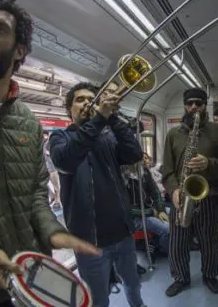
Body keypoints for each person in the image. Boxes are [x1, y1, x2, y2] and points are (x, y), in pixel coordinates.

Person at [0, 1, 100, 307]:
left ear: (19, 51)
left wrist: (52, 231)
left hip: (34, 275)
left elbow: (35, 195)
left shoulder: (29, 123)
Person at [49, 82, 146, 307]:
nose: (87, 103)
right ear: (69, 110)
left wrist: (111, 117)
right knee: (97, 299)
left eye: (91, 98)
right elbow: (66, 160)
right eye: (80, 99)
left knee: (133, 283)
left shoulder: (108, 137)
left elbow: (134, 153)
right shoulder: (60, 137)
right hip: (88, 242)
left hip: (122, 233)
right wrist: (99, 118)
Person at [162, 88, 218, 297]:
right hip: (180, 197)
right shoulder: (173, 133)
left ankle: (210, 274)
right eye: (190, 103)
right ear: (185, 106)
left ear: (204, 106)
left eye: (198, 103)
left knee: (209, 239)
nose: (194, 107)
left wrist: (208, 163)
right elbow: (167, 169)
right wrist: (173, 190)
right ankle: (181, 277)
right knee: (177, 241)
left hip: (208, 195)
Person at [125, 153, 170, 256]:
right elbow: (127, 209)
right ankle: (165, 250)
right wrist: (150, 212)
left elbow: (156, 192)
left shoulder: (144, 172)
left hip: (150, 209)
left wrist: (161, 210)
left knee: (174, 215)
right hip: (135, 218)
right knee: (167, 229)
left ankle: (169, 243)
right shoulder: (123, 178)